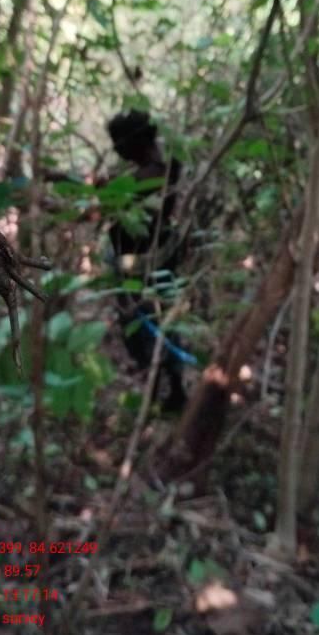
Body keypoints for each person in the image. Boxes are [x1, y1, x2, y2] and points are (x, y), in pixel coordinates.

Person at [106, 109, 191, 412]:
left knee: (144, 325)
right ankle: (166, 389)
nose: (116, 150)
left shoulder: (154, 174)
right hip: (148, 261)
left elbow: (111, 196)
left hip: (144, 265)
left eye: (119, 143)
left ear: (136, 142)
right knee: (157, 323)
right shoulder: (153, 170)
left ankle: (164, 389)